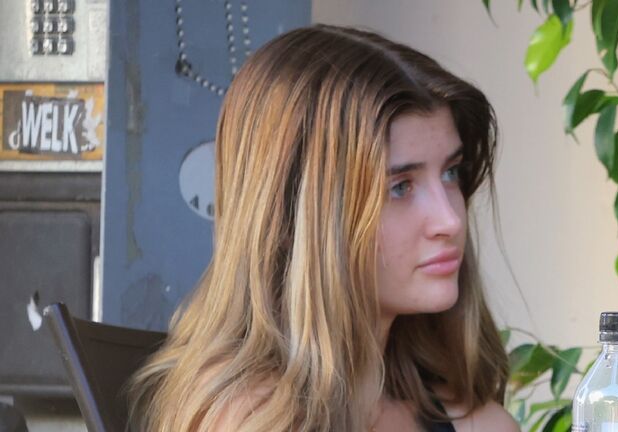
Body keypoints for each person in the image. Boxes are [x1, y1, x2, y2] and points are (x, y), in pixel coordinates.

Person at [127, 24, 520, 432]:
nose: (450, 220)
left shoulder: (481, 424)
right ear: (295, 219)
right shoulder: (248, 419)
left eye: (451, 172)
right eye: (400, 187)